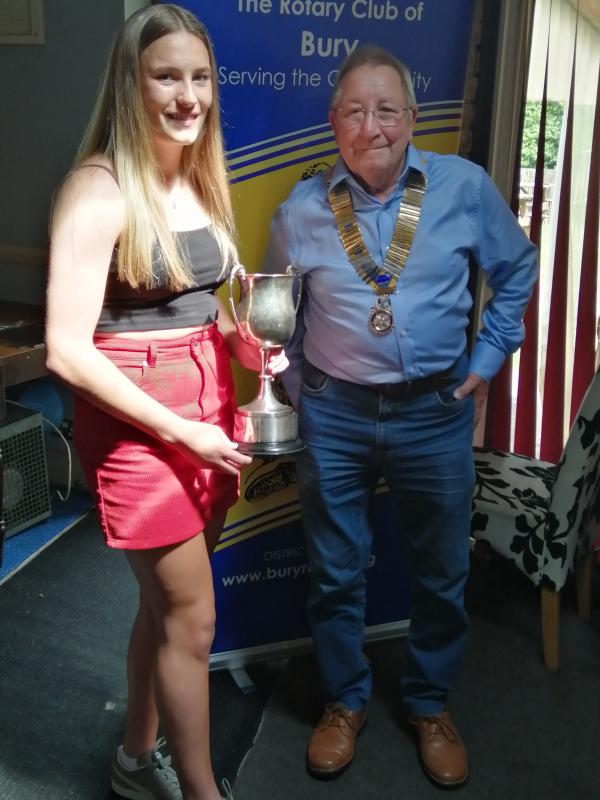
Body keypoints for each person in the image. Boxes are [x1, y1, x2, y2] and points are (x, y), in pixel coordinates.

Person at [262, 45, 537, 788]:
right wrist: (290, 390)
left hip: (434, 414)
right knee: (335, 571)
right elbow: (276, 315)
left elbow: (517, 269)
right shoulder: (300, 212)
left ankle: (429, 702)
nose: (371, 126)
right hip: (338, 417)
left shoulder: (464, 188)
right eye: (354, 111)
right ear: (333, 122)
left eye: (387, 110)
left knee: (444, 570)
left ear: (413, 119)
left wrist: (486, 362)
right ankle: (345, 701)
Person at [46, 6, 287, 800]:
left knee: (166, 606)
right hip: (140, 428)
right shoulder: (97, 187)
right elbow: (67, 349)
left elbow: (202, 307)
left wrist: (243, 344)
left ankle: (131, 760)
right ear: (130, 81)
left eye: (199, 77)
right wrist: (178, 426)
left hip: (207, 412)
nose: (189, 97)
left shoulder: (194, 175)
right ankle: (200, 791)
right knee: (193, 621)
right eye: (166, 76)